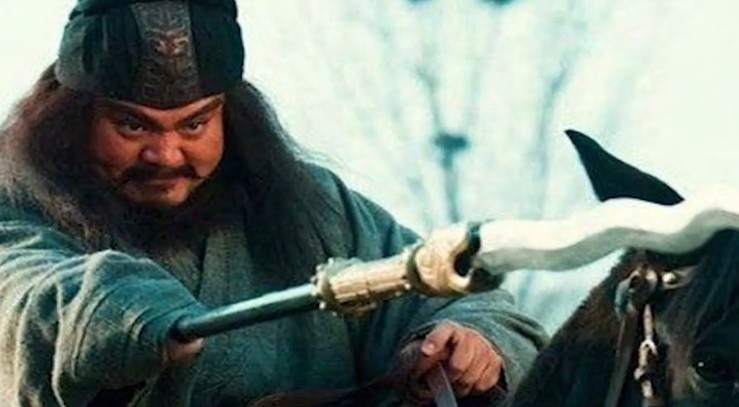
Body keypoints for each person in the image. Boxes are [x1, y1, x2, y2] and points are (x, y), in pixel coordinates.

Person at [0, 0, 547, 406]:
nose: (166, 153)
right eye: (132, 125)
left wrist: (470, 344)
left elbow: (458, 298)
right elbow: (26, 293)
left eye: (195, 124)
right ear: (73, 118)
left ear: (228, 115)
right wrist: (122, 314)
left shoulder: (312, 209)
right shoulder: (18, 203)